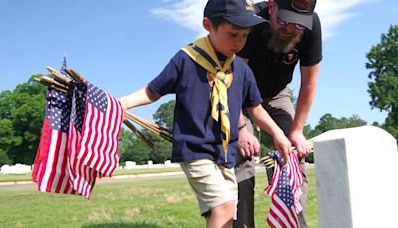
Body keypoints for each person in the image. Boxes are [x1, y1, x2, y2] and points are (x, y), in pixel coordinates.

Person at [120, 0, 293, 227]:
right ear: (208, 25)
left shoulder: (241, 70)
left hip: (225, 154)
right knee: (224, 207)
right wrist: (122, 103)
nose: (240, 42)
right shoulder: (186, 60)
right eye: (233, 34)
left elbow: (256, 108)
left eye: (245, 35)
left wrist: (278, 134)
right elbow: (153, 91)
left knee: (223, 216)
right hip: (195, 150)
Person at [233, 0, 322, 227]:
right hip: (240, 96)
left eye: (298, 25)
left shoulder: (311, 26)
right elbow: (231, 83)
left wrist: (297, 130)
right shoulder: (249, 22)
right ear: (271, 6)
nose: (291, 29)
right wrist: (241, 129)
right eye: (283, 20)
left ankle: (292, 223)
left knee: (292, 156)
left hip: (277, 93)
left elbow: (309, 83)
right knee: (240, 157)